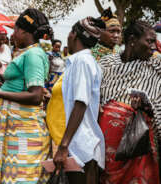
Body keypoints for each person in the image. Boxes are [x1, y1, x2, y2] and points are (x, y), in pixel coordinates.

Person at [0, 8, 53, 183]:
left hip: (23, 131)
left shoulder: (34, 54)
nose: (12, 35)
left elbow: (35, 96)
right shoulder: (27, 52)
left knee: (21, 177)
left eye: (15, 30)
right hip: (15, 129)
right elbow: (19, 85)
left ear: (23, 31)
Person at [99, 20, 160, 184]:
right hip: (108, 144)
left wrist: (147, 107)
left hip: (140, 143)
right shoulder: (106, 64)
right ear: (132, 40)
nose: (153, 46)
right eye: (149, 41)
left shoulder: (155, 67)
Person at [49, 17, 106, 184]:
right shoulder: (81, 61)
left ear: (74, 34)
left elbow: (81, 103)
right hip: (79, 142)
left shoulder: (82, 61)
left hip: (81, 145)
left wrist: (63, 146)